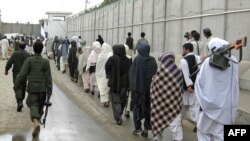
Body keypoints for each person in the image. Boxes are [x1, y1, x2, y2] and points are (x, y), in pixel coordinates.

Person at [195, 37, 239, 141]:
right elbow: (235, 84)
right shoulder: (234, 61)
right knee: (221, 134)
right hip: (226, 107)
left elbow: (200, 82)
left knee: (203, 132)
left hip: (209, 106)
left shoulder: (207, 62)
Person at [14, 41, 53, 137]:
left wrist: (16, 85)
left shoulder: (29, 61)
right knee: (40, 107)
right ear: (41, 49)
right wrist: (49, 91)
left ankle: (35, 122)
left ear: (34, 49)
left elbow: (22, 75)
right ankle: (37, 127)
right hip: (43, 90)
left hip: (32, 89)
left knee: (32, 105)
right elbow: (49, 78)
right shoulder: (46, 62)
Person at [151, 52, 183, 141]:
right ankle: (177, 139)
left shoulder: (159, 73)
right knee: (175, 125)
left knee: (158, 122)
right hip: (174, 104)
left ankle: (157, 139)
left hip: (159, 104)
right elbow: (181, 88)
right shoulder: (178, 72)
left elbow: (153, 88)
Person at [130, 43, 157, 137]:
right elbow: (155, 75)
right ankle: (146, 129)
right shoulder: (153, 60)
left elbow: (132, 75)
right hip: (150, 90)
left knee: (136, 107)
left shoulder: (137, 60)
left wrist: (132, 86)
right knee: (148, 109)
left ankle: (138, 127)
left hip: (138, 90)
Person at [105, 44, 132, 125]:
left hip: (115, 84)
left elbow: (107, 68)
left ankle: (118, 117)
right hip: (125, 83)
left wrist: (111, 76)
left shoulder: (112, 59)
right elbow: (130, 71)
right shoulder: (128, 60)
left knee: (115, 100)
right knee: (123, 99)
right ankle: (120, 114)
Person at [180, 43, 201, 132]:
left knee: (189, 107)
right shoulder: (198, 58)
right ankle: (179, 121)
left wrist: (189, 85)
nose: (182, 51)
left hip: (188, 88)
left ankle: (199, 125)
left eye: (183, 49)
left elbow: (185, 74)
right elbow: (199, 71)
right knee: (190, 106)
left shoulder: (183, 60)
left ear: (187, 50)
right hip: (196, 86)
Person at [5, 41, 30, 112]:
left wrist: (6, 70)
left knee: (17, 87)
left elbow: (9, 62)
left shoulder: (15, 54)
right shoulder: (28, 55)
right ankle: (21, 100)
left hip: (16, 73)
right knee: (23, 87)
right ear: (25, 47)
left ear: (19, 46)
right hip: (25, 74)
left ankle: (19, 101)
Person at [96, 43, 113, 107]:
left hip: (101, 74)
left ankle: (105, 101)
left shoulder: (100, 55)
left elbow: (98, 65)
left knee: (103, 88)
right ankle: (107, 100)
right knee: (107, 87)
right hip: (108, 74)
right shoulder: (110, 55)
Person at [123, 44, 132, 118]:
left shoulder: (118, 58)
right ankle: (127, 110)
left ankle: (125, 110)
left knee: (123, 95)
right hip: (129, 80)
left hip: (123, 81)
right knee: (128, 96)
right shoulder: (130, 58)